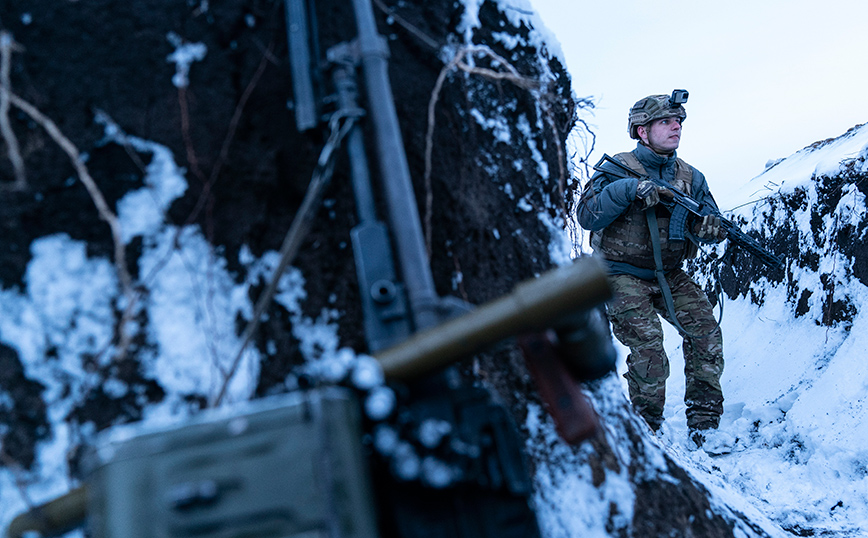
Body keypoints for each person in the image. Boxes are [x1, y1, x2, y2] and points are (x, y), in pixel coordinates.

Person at [576, 91, 727, 448]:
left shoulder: (691, 177)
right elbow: (587, 215)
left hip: (669, 273)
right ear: (642, 131)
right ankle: (646, 427)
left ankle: (705, 423)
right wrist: (629, 189)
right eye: (666, 122)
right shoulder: (615, 169)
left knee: (706, 334)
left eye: (678, 122)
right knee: (648, 346)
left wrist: (710, 228)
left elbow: (710, 222)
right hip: (619, 272)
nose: (676, 127)